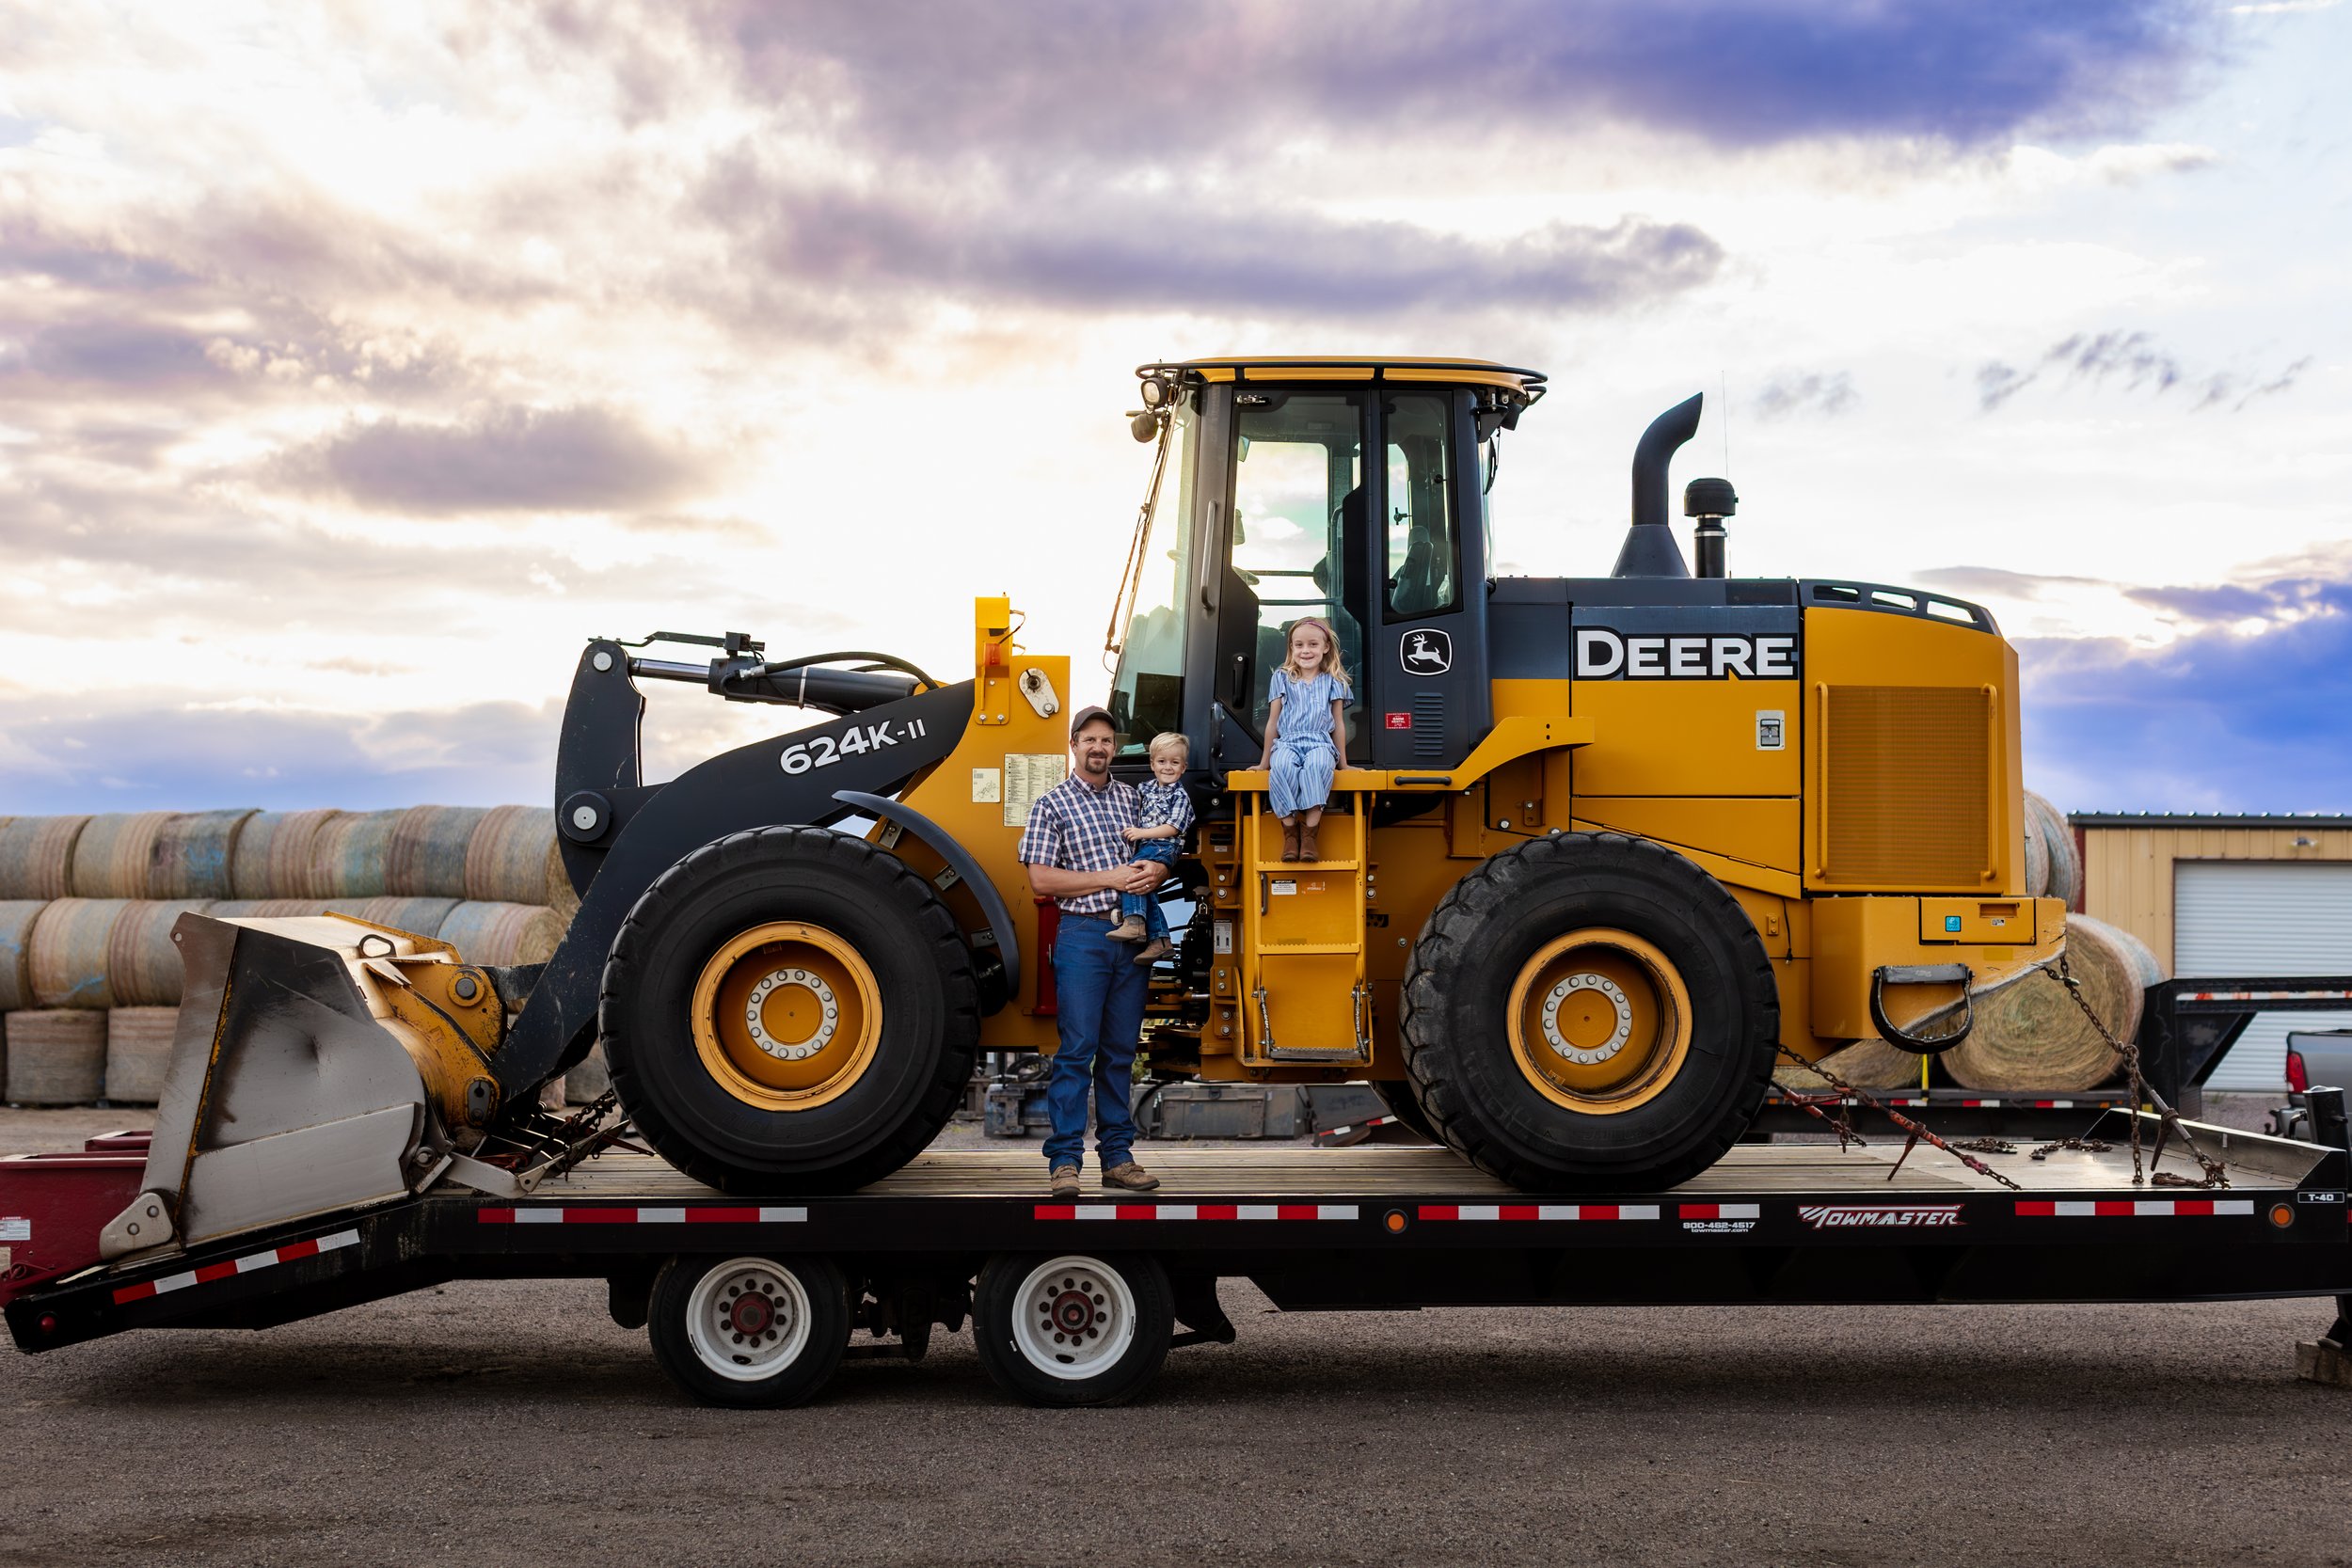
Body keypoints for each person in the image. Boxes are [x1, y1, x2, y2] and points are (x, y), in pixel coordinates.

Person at [1015, 705, 1170, 1198]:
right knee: (1077, 1051)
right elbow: (1041, 877)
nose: (1099, 748)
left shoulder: (1134, 798)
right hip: (1083, 936)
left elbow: (1162, 850)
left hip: (1133, 933)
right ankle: (1064, 1162)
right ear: (1074, 745)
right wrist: (1109, 877)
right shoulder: (1052, 804)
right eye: (1090, 740)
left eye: (1107, 740)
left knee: (1120, 1053)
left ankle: (1118, 1160)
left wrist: (1159, 873)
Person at [1263, 616, 1349, 863]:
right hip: (1288, 741)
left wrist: (1343, 763)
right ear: (1291, 648)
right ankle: (1290, 833)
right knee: (1281, 767)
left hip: (1320, 741)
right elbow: (1273, 722)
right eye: (1298, 645)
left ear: (1325, 647)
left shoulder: (1335, 681)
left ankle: (1310, 834)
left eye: (1312, 644)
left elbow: (1339, 724)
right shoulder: (1281, 677)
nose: (1305, 650)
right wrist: (1263, 762)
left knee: (1319, 766)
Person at [1108, 731, 1194, 964]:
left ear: (1183, 767)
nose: (1168, 767)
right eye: (1162, 761)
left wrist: (1141, 833)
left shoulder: (1180, 796)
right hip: (1147, 845)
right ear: (1152, 764)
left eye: (1175, 763)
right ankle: (1161, 941)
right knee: (1148, 887)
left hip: (1165, 847)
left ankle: (1135, 921)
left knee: (1133, 872)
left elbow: (1173, 828)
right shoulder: (1145, 789)